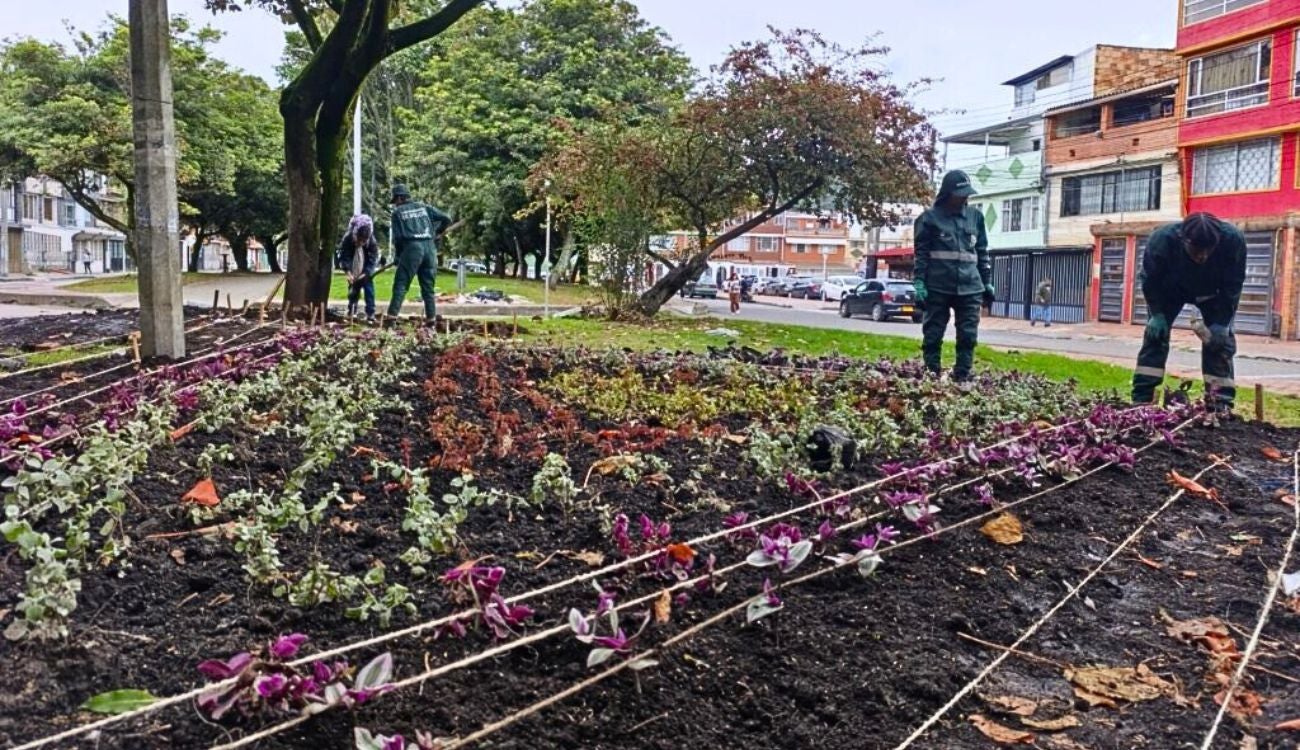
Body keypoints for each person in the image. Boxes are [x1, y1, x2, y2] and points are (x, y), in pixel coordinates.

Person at [1132, 212, 1246, 410]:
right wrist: (1157, 314)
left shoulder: (1233, 240)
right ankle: (1142, 399)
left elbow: (1234, 284)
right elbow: (1150, 280)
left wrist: (1222, 322)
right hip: (1170, 291)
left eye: (1208, 250)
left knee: (1219, 344)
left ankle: (1220, 403)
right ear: (1183, 239)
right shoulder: (1162, 240)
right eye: (1196, 250)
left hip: (1213, 293)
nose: (1202, 256)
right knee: (1155, 337)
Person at [912, 170, 993, 381]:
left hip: (970, 287)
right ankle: (932, 373)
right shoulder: (928, 219)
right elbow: (921, 255)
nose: (965, 198)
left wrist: (987, 283)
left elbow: (982, 252)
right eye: (960, 194)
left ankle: (962, 376)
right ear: (947, 194)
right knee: (933, 334)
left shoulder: (976, 217)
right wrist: (919, 283)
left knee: (968, 335)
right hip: (938, 286)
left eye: (967, 194)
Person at [386, 184, 451, 323]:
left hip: (412, 248)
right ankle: (431, 320)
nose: (395, 205)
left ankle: (391, 319)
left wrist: (398, 257)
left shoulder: (397, 213)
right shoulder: (424, 207)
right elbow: (447, 219)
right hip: (429, 248)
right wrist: (438, 232)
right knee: (428, 288)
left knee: (401, 285)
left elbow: (398, 239)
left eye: (395, 201)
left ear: (398, 198)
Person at [335, 213, 382, 323]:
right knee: (353, 290)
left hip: (365, 269)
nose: (360, 243)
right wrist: (348, 272)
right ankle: (352, 311)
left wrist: (366, 273)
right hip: (353, 267)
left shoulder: (371, 242)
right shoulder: (348, 238)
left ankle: (370, 313)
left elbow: (372, 259)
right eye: (359, 240)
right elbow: (344, 256)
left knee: (369, 290)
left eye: (363, 241)